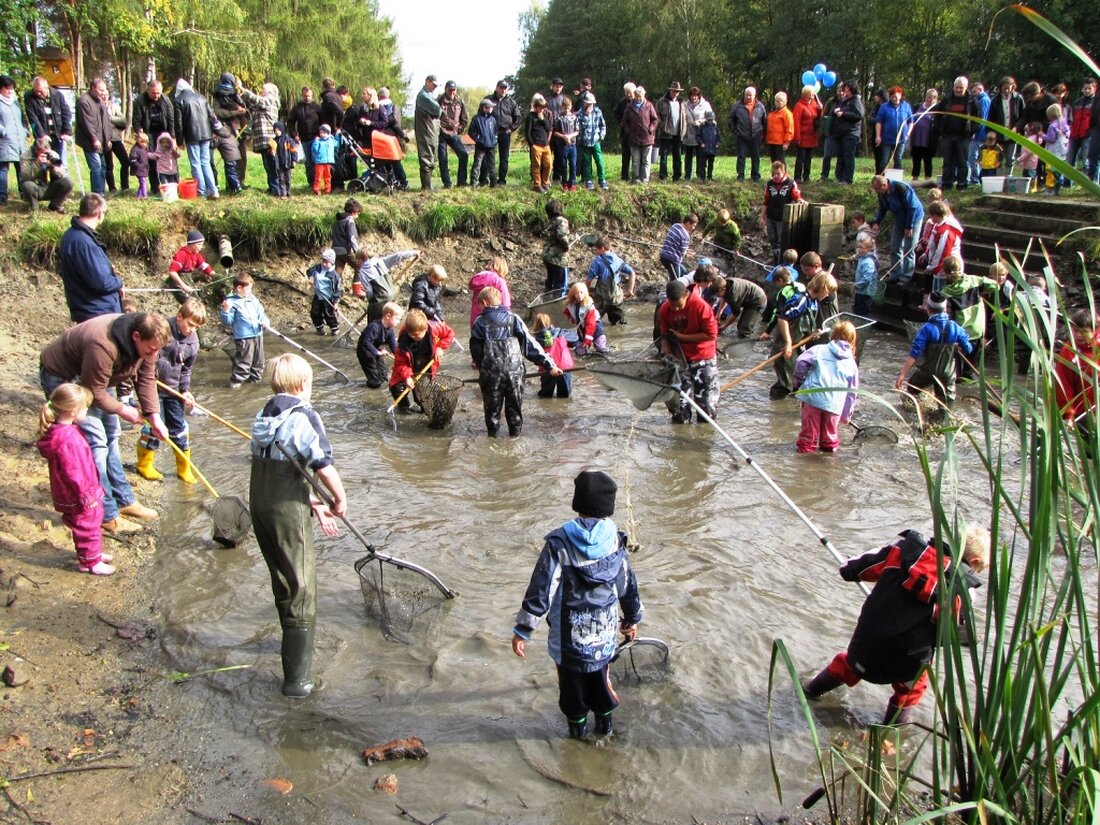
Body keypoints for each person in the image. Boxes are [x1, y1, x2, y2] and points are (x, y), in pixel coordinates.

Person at [803, 526, 989, 725]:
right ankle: (889, 734)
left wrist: (852, 571)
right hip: (906, 664)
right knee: (911, 690)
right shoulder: (962, 592)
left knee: (849, 665)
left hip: (865, 649)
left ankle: (809, 692)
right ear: (974, 561)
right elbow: (947, 634)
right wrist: (969, 638)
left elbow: (850, 569)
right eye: (978, 570)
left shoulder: (901, 550)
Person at [512, 470, 643, 739]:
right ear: (608, 507)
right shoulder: (616, 541)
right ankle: (605, 730)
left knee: (572, 689)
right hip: (603, 635)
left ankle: (576, 736)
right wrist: (631, 619)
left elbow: (542, 589)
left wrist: (523, 629)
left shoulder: (559, 543)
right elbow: (627, 586)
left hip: (568, 639)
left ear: (577, 503)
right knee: (600, 680)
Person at [250, 352, 347, 698]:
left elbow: (278, 467)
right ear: (304, 384)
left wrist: (313, 503)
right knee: (302, 587)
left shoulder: (263, 414)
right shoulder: (305, 415)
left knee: (282, 579)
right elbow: (321, 464)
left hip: (260, 504)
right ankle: (298, 681)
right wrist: (339, 498)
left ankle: (290, 651)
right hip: (285, 509)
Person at [39, 311, 169, 534]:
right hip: (66, 378)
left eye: (157, 349)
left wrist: (154, 415)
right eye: (151, 349)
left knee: (112, 434)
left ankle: (125, 500)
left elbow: (147, 378)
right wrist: (123, 409)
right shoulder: (103, 345)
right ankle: (107, 515)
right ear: (136, 336)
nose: (153, 353)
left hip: (98, 376)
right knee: (97, 441)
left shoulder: (151, 343)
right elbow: (94, 392)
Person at [37, 383, 113, 575]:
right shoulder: (68, 440)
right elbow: (74, 471)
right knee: (87, 524)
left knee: (91, 522)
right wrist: (86, 496)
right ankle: (91, 562)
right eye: (85, 407)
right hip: (80, 492)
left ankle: (92, 554)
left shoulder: (61, 432)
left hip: (74, 490)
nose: (87, 411)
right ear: (73, 411)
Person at [470, 286, 560, 437]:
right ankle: (515, 435)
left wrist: (482, 370)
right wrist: (549, 365)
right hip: (514, 373)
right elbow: (531, 346)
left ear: (484, 303)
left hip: (492, 376)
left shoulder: (480, 322)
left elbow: (476, 350)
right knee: (514, 410)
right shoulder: (514, 318)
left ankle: (493, 438)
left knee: (492, 411)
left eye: (479, 306)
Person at [135, 300, 206, 483]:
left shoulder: (193, 342)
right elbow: (146, 358)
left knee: (179, 429)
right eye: (190, 324)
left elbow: (186, 369)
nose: (192, 329)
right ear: (179, 316)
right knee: (154, 427)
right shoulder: (162, 330)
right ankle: (145, 465)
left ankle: (184, 469)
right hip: (153, 388)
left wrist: (185, 390)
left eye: (196, 327)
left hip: (174, 391)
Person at [763, 270, 838, 400]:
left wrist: (812, 333)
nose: (827, 295)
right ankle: (776, 408)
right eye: (827, 291)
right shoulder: (801, 300)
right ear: (821, 288)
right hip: (785, 346)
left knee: (798, 379)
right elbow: (782, 318)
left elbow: (807, 323)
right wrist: (787, 343)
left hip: (798, 345)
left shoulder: (814, 302)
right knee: (785, 382)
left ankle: (792, 408)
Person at [895, 292, 974, 406]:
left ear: (928, 308)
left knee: (912, 393)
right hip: (947, 373)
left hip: (927, 371)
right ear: (945, 309)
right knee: (946, 404)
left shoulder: (926, 329)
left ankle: (916, 416)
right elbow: (969, 349)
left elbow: (914, 354)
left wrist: (902, 374)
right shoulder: (955, 327)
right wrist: (957, 346)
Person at [658, 279, 719, 423]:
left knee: (706, 407)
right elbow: (664, 332)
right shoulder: (665, 309)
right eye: (672, 306)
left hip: (703, 356)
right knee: (679, 407)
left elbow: (711, 335)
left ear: (686, 295)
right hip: (680, 358)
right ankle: (680, 438)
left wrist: (683, 337)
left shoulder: (700, 306)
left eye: (679, 306)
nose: (676, 310)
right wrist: (665, 345)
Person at [793, 320, 859, 453]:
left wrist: (798, 384)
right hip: (834, 405)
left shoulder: (819, 349)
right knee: (829, 440)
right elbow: (852, 393)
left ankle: (804, 466)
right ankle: (827, 468)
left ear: (833, 335)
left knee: (808, 439)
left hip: (812, 398)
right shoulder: (851, 363)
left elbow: (800, 362)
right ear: (853, 340)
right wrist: (846, 415)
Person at [58, 194, 123, 322]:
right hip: (98, 312)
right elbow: (101, 282)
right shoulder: (84, 242)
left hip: (88, 309)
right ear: (99, 213)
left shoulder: (69, 235)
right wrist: (119, 282)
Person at [388, 308, 455, 414]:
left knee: (423, 396)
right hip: (409, 365)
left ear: (425, 329)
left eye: (418, 334)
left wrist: (440, 347)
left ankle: (424, 409)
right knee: (396, 387)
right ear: (408, 331)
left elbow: (449, 334)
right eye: (412, 334)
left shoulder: (435, 327)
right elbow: (400, 363)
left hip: (426, 365)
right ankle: (404, 408)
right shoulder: (403, 342)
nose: (415, 337)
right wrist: (407, 377)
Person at [869, 174, 924, 285]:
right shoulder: (882, 194)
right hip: (899, 219)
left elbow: (912, 208)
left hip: (913, 219)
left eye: (877, 189)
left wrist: (909, 226)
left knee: (909, 248)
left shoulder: (902, 189)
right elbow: (882, 208)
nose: (877, 192)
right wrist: (877, 222)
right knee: (895, 246)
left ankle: (907, 276)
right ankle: (895, 274)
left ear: (884, 185)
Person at [220, 272, 270, 388]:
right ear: (239, 288)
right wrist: (226, 311)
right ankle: (235, 384)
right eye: (248, 289)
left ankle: (254, 384)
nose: (250, 291)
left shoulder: (253, 299)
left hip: (258, 334)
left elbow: (261, 314)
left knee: (259, 362)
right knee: (244, 363)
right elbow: (228, 321)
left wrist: (265, 322)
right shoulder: (231, 302)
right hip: (243, 337)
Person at [173, 78, 218, 199]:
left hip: (191, 135)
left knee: (195, 163)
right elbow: (211, 115)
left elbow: (178, 123)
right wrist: (213, 131)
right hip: (206, 134)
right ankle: (213, 190)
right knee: (206, 162)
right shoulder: (202, 97)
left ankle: (201, 191)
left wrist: (179, 141)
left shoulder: (178, 100)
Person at [1054, 309, 1100, 425]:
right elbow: (1063, 386)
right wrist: (1068, 414)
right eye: (1075, 331)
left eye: (1084, 331)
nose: (1079, 335)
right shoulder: (1068, 352)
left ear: (1094, 330)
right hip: (1083, 413)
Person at [935, 76, 979, 191]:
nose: (958, 90)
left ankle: (962, 184)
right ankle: (947, 184)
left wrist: (972, 131)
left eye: (961, 88)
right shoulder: (947, 99)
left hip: (964, 136)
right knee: (947, 161)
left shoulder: (972, 101)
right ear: (953, 87)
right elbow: (938, 115)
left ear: (966, 88)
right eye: (957, 87)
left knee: (962, 161)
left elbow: (978, 119)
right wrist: (939, 130)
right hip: (948, 135)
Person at [356, 247, 421, 322]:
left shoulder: (363, 271)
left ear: (361, 259)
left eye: (357, 260)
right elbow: (398, 255)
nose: (357, 262)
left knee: (373, 323)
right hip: (391, 296)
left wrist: (366, 297)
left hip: (379, 300)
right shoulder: (380, 261)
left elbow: (369, 292)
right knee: (388, 321)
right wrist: (414, 252)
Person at [240, 81, 281, 196]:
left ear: (270, 92)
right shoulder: (263, 102)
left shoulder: (271, 100)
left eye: (263, 90)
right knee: (267, 165)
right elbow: (252, 105)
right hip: (262, 140)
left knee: (272, 166)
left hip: (269, 139)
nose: (261, 92)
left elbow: (258, 100)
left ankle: (276, 190)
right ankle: (272, 187)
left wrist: (244, 89)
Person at [585, 237, 635, 326]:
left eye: (596, 249)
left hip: (601, 299)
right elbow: (632, 272)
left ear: (602, 248)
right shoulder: (617, 259)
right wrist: (630, 290)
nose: (595, 252)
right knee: (618, 323)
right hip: (616, 299)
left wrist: (586, 293)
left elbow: (589, 280)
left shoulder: (597, 262)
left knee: (592, 322)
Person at [24, 76, 72, 164]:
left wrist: (67, 132)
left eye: (41, 91)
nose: (38, 93)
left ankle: (59, 176)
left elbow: (66, 113)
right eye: (36, 91)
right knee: (44, 163)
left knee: (59, 163)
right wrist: (41, 135)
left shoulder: (57, 95)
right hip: (43, 136)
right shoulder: (29, 97)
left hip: (58, 135)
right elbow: (33, 118)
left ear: (47, 87)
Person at [761, 160, 802, 264]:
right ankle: (775, 260)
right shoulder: (769, 184)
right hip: (771, 217)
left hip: (782, 218)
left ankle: (782, 262)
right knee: (772, 240)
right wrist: (762, 217)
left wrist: (801, 201)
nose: (776, 176)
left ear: (783, 172)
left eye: (778, 173)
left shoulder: (790, 183)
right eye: (774, 173)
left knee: (781, 241)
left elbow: (797, 196)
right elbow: (765, 201)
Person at [211, 72, 250, 183]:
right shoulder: (218, 96)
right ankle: (232, 184)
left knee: (242, 156)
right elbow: (218, 112)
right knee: (231, 157)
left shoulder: (237, 95)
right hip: (227, 129)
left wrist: (244, 111)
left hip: (241, 128)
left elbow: (245, 108)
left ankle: (240, 182)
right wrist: (234, 113)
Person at [75, 78, 111, 195]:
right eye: (101, 90)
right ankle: (97, 194)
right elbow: (87, 124)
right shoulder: (84, 102)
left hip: (102, 140)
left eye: (104, 90)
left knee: (103, 167)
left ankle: (101, 192)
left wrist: (108, 138)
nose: (103, 92)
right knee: (96, 167)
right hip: (90, 141)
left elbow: (106, 122)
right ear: (92, 88)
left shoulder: (100, 101)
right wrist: (94, 139)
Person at [19, 136, 72, 212]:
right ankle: (34, 207)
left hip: (51, 187)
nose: (46, 154)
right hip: (36, 187)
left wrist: (54, 167)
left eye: (47, 152)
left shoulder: (53, 155)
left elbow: (64, 174)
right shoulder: (25, 157)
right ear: (36, 151)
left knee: (68, 181)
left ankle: (56, 205)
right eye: (44, 153)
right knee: (26, 185)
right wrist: (37, 164)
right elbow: (24, 177)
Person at [919, 200, 964, 292]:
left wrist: (932, 267)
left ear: (935, 215)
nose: (930, 218)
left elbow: (943, 252)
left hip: (947, 266)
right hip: (940, 264)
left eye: (931, 216)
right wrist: (926, 253)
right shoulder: (938, 224)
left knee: (943, 291)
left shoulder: (945, 231)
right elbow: (932, 243)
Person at [356, 301, 402, 388]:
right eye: (397, 319)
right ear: (388, 316)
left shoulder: (390, 330)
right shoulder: (374, 327)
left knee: (383, 376)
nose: (399, 322)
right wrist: (377, 352)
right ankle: (368, 387)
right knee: (375, 382)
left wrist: (400, 359)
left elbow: (394, 347)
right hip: (365, 352)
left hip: (376, 350)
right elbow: (366, 342)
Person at [0, 76, 29, 206]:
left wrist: (25, 131)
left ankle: (24, 193)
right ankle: (2, 196)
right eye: (7, 88)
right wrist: (3, 132)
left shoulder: (15, 102)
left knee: (21, 168)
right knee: (3, 169)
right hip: (4, 141)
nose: (10, 91)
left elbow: (22, 120)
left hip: (19, 141)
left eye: (12, 88)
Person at [531, 312, 574, 398]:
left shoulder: (535, 339)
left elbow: (535, 357)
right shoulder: (561, 333)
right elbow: (575, 340)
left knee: (545, 396)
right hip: (564, 366)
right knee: (565, 397)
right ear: (550, 323)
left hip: (548, 368)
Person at [287, 86, 323, 188]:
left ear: (312, 95)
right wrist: (294, 135)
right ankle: (311, 183)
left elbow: (323, 122)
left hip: (316, 138)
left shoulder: (317, 107)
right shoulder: (297, 108)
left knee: (317, 161)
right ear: (302, 95)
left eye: (309, 96)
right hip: (303, 139)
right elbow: (291, 122)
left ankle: (318, 182)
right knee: (308, 162)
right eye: (305, 96)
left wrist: (321, 135)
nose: (307, 98)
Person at [166, 229, 216, 302]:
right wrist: (183, 286)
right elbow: (172, 272)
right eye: (199, 244)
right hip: (177, 283)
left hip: (188, 281)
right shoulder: (182, 254)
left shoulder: (196, 255)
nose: (201, 247)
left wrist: (214, 275)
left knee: (197, 301)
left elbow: (204, 266)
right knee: (191, 303)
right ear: (192, 243)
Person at [622, 85, 658, 184]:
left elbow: (655, 119)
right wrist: (628, 131)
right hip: (633, 138)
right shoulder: (629, 107)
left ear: (643, 96)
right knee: (636, 161)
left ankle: (645, 180)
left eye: (640, 96)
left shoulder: (649, 105)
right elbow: (624, 121)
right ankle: (635, 179)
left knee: (646, 161)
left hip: (647, 138)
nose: (638, 98)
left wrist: (650, 129)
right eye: (636, 96)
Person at [729, 86, 767, 181]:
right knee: (741, 156)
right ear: (744, 95)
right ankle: (740, 176)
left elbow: (765, 121)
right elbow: (730, 120)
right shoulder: (737, 106)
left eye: (751, 95)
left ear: (754, 96)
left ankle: (755, 176)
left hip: (756, 135)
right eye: (747, 95)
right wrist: (736, 131)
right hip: (742, 135)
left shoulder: (760, 106)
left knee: (756, 156)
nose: (749, 97)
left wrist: (763, 134)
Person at [830, 80, 864, 185]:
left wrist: (843, 114)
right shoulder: (844, 100)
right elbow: (836, 111)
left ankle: (847, 179)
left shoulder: (856, 100)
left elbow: (859, 115)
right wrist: (835, 112)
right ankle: (839, 177)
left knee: (848, 156)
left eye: (846, 88)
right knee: (840, 156)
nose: (844, 90)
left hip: (851, 133)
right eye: (844, 88)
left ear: (851, 89)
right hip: (840, 133)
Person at [437, 80, 469, 188]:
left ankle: (462, 182)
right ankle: (447, 183)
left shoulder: (460, 101)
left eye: (454, 90)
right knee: (443, 159)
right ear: (445, 89)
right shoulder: (439, 100)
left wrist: (459, 130)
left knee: (464, 155)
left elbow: (464, 118)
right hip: (442, 134)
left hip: (454, 134)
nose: (452, 92)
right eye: (450, 90)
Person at [489, 80, 522, 185]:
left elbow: (518, 118)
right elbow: (481, 115)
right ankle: (490, 180)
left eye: (505, 88)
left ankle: (502, 180)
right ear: (497, 88)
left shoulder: (511, 102)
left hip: (505, 132)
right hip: (491, 133)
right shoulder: (489, 100)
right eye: (501, 88)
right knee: (489, 157)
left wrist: (511, 128)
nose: (503, 90)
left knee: (504, 158)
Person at [874, 86, 913, 173]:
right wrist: (878, 136)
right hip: (886, 138)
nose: (894, 98)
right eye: (892, 97)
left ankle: (896, 180)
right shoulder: (884, 107)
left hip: (901, 139)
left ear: (900, 95)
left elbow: (911, 121)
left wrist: (908, 134)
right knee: (884, 159)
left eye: (896, 96)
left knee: (898, 159)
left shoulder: (906, 107)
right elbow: (878, 122)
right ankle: (881, 178)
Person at [564, 282, 609, 356]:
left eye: (581, 293)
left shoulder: (589, 306)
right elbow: (568, 313)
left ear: (585, 293)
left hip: (595, 327)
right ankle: (583, 349)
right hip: (582, 328)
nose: (579, 295)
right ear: (573, 294)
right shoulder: (571, 305)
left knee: (601, 349)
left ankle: (602, 347)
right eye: (576, 293)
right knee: (580, 352)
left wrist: (587, 339)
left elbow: (590, 324)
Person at [414, 75, 442, 191]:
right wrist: (438, 110)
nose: (435, 88)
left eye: (436, 86)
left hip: (431, 132)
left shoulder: (429, 96)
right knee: (426, 157)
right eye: (433, 85)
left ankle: (428, 187)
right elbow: (437, 110)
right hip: (425, 131)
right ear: (427, 82)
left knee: (432, 157)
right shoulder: (423, 96)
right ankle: (426, 187)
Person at [305, 249, 342, 336]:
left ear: (332, 262)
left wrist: (336, 303)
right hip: (318, 296)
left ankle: (335, 329)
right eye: (323, 261)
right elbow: (309, 271)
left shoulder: (334, 276)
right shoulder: (318, 268)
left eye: (327, 262)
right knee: (315, 312)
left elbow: (337, 291)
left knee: (329, 315)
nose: (324, 264)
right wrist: (311, 278)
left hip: (328, 298)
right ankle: (319, 328)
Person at [656, 81, 687, 181]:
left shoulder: (682, 102)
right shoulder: (662, 101)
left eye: (678, 91)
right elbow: (656, 115)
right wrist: (661, 124)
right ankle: (663, 176)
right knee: (664, 156)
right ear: (670, 90)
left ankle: (677, 176)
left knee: (677, 156)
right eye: (674, 91)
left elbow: (685, 117)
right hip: (665, 132)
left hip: (678, 133)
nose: (676, 93)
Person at [469, 257, 512, 328]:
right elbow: (506, 303)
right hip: (493, 319)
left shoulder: (478, 278)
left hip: (476, 318)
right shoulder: (499, 281)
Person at [791, 85, 823, 182]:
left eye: (813, 94)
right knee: (801, 158)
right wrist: (797, 137)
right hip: (802, 136)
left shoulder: (813, 103)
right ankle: (797, 177)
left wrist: (821, 108)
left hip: (812, 135)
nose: (813, 96)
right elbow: (796, 122)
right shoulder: (799, 106)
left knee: (809, 158)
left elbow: (819, 115)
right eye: (811, 94)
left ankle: (806, 176)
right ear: (805, 95)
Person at [1067, 78, 1096, 178]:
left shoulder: (1096, 103)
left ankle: (1089, 183)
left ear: (1094, 89)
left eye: (1089, 88)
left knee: (1086, 161)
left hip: (1088, 135)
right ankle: (1067, 183)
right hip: (1074, 135)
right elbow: (1071, 118)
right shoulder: (1077, 102)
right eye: (1085, 88)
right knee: (1069, 161)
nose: (1087, 90)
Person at [525, 93, 553, 193]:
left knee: (548, 165)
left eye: (543, 108)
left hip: (545, 145)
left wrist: (542, 118)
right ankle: (537, 184)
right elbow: (527, 133)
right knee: (536, 166)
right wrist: (532, 145)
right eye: (540, 108)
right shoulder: (530, 116)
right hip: (536, 145)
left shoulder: (544, 116)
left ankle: (545, 183)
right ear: (535, 107)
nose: (542, 110)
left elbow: (549, 128)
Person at [908, 88, 939, 179]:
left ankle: (927, 179)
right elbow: (910, 119)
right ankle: (915, 177)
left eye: (932, 98)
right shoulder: (917, 106)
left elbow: (938, 123)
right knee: (916, 159)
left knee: (927, 159)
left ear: (935, 99)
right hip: (917, 138)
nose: (929, 99)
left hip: (929, 139)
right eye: (928, 97)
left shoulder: (936, 109)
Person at [682, 87, 711, 181]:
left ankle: (700, 175)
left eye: (695, 95)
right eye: (692, 95)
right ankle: (687, 176)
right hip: (688, 133)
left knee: (700, 156)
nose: (693, 97)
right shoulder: (684, 105)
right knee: (688, 156)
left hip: (701, 134)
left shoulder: (705, 105)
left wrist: (701, 122)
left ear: (699, 96)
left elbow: (710, 118)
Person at [542, 199, 572, 293]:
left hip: (547, 255)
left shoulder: (549, 222)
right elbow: (561, 235)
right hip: (558, 258)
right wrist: (566, 247)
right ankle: (558, 303)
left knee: (550, 280)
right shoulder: (562, 221)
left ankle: (546, 299)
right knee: (561, 285)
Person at [966, 81, 992, 186]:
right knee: (975, 158)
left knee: (973, 158)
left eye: (974, 91)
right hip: (979, 134)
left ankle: (975, 180)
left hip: (980, 135)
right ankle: (976, 179)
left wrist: (975, 132)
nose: (973, 94)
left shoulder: (984, 100)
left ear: (981, 90)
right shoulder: (979, 100)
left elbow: (983, 118)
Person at [468, 97, 498, 188]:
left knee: (492, 166)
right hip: (481, 146)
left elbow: (495, 131)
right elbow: (471, 131)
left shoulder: (493, 119)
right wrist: (478, 139)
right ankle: (473, 183)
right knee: (477, 164)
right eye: (490, 107)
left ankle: (493, 184)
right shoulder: (476, 118)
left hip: (491, 146)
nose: (492, 109)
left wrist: (495, 140)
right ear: (484, 108)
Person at [1041, 103, 1069, 194]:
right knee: (1058, 169)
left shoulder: (1052, 126)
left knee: (1050, 169)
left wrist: (1042, 135)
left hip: (1053, 151)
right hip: (1062, 151)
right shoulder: (1063, 122)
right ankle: (1059, 185)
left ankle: (1050, 188)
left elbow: (1051, 139)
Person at [553, 97, 579, 191]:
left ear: (571, 106)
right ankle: (564, 182)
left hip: (572, 144)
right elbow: (555, 132)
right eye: (565, 108)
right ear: (562, 107)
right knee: (563, 165)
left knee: (573, 164)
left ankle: (572, 183)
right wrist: (564, 137)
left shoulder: (574, 117)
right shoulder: (558, 118)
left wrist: (570, 136)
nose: (566, 109)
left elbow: (577, 131)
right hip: (562, 145)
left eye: (568, 107)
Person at [660, 213, 698, 278]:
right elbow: (682, 253)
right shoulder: (686, 235)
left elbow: (677, 245)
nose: (693, 228)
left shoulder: (675, 225)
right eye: (693, 226)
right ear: (688, 223)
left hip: (663, 255)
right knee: (676, 282)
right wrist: (688, 254)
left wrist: (686, 250)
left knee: (684, 272)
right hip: (671, 260)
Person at [331, 198, 362, 278]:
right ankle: (356, 289)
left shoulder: (337, 221)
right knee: (361, 268)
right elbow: (352, 238)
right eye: (358, 213)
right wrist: (358, 252)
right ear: (353, 212)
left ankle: (332, 288)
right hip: (345, 250)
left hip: (335, 249)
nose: (358, 216)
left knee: (337, 271)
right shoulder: (350, 221)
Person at [614, 82, 637, 181]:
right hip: (625, 133)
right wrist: (620, 122)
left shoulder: (638, 101)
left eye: (629, 92)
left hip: (636, 133)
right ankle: (624, 177)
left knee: (636, 157)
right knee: (625, 156)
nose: (628, 95)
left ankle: (635, 177)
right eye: (626, 92)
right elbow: (616, 112)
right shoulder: (622, 102)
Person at [211, 122, 242, 195]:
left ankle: (236, 187)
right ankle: (234, 187)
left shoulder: (219, 137)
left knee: (231, 173)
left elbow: (212, 145)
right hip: (236, 156)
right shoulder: (230, 134)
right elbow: (237, 143)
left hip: (229, 157)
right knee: (234, 172)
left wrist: (212, 139)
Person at [765, 91, 794, 164]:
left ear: (785, 102)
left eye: (780, 101)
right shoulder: (772, 114)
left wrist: (787, 142)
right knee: (774, 161)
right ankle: (775, 175)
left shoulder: (787, 113)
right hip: (771, 141)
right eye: (776, 101)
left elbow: (790, 129)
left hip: (780, 142)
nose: (777, 103)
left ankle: (783, 175)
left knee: (780, 161)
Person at [852, 236, 878, 316]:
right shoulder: (862, 258)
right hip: (860, 292)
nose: (859, 249)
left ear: (868, 249)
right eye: (858, 247)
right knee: (858, 310)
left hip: (866, 293)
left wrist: (857, 285)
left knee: (863, 312)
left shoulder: (868, 262)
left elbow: (867, 278)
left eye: (862, 247)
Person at [271, 120, 297, 198]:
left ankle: (289, 192)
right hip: (279, 163)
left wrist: (294, 160)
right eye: (275, 130)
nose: (276, 132)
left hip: (287, 162)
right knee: (281, 179)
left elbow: (294, 151)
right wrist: (271, 152)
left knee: (288, 179)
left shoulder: (288, 140)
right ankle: (283, 193)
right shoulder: (274, 141)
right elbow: (271, 151)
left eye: (278, 130)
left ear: (282, 129)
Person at [311, 123, 336, 195]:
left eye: (324, 133)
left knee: (328, 176)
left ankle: (327, 189)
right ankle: (316, 189)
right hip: (319, 161)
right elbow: (314, 150)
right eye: (321, 133)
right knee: (318, 176)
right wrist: (315, 141)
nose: (322, 134)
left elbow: (337, 144)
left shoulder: (331, 140)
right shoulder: (318, 141)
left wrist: (337, 136)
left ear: (328, 133)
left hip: (328, 161)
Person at [697, 110, 720, 181]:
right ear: (706, 119)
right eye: (709, 119)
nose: (710, 121)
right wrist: (701, 143)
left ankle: (710, 177)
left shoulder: (715, 127)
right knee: (702, 164)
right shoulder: (702, 126)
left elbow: (718, 138)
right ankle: (702, 178)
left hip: (712, 149)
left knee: (711, 164)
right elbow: (698, 136)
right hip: (704, 149)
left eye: (711, 119)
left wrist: (717, 144)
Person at [129, 132, 151, 199]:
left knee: (142, 183)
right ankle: (144, 195)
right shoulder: (135, 150)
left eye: (146, 143)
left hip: (144, 169)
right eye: (143, 142)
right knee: (143, 182)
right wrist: (138, 166)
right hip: (138, 170)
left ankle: (138, 196)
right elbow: (132, 159)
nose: (145, 144)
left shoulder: (144, 149)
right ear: (138, 141)